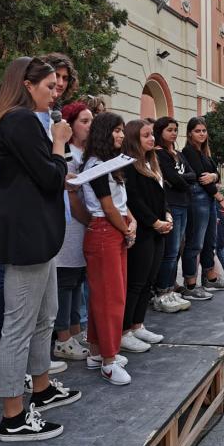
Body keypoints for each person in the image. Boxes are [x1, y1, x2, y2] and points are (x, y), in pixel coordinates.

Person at [0, 57, 81, 441]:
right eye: (49, 86)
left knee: (46, 316)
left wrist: (57, 156)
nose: (55, 92)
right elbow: (48, 175)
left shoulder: (19, 121)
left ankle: (41, 388)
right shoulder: (19, 121)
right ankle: (12, 415)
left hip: (39, 234)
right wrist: (59, 143)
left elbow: (46, 173)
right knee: (19, 327)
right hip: (27, 237)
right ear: (27, 84)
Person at [81, 112, 137, 381]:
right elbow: (106, 206)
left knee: (107, 296)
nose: (121, 135)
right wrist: (126, 229)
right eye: (116, 130)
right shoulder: (95, 165)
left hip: (115, 229)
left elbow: (121, 203)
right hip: (105, 231)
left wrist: (131, 222)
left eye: (122, 130)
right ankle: (108, 361)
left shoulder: (109, 163)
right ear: (104, 132)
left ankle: (95, 352)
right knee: (110, 299)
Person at [122, 119, 169, 352]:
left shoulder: (152, 163)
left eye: (152, 134)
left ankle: (138, 324)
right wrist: (154, 221)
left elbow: (160, 196)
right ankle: (124, 330)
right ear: (134, 139)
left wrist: (167, 215)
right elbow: (134, 200)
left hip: (158, 230)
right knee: (136, 282)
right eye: (146, 135)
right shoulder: (129, 166)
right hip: (143, 231)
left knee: (149, 280)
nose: (152, 138)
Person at [52, 102, 93, 361]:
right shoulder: (64, 152)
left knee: (79, 277)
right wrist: (88, 219)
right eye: (84, 121)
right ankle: (62, 337)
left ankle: (76, 330)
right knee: (65, 280)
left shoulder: (89, 153)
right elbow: (69, 193)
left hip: (85, 222)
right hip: (69, 223)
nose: (89, 126)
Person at [181, 117, 224, 299]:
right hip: (198, 199)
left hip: (207, 199)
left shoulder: (204, 153)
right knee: (195, 243)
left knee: (210, 240)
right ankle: (191, 285)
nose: (201, 134)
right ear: (189, 134)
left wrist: (214, 176)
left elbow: (213, 173)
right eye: (197, 131)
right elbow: (202, 178)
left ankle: (210, 278)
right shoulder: (188, 152)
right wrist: (217, 193)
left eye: (203, 131)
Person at [152, 117, 194, 313]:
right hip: (173, 205)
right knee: (170, 251)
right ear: (160, 131)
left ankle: (170, 288)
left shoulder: (177, 153)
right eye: (169, 130)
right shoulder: (159, 154)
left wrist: (183, 180)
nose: (174, 133)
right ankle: (163, 291)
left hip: (184, 204)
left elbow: (190, 174)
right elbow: (173, 179)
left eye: (176, 129)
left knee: (177, 249)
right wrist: (184, 181)